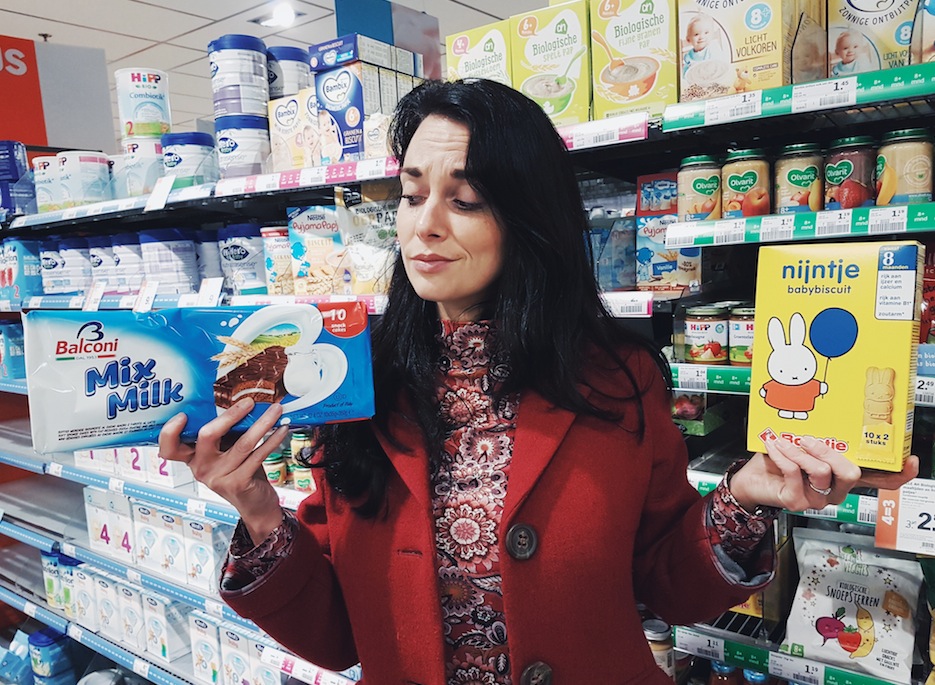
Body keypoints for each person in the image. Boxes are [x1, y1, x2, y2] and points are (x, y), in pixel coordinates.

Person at [159, 79, 918, 685]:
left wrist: (746, 498)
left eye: (464, 200)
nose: (424, 224)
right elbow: (337, 638)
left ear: (527, 219)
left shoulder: (616, 378)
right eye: (413, 193)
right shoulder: (357, 382)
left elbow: (669, 585)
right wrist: (257, 510)